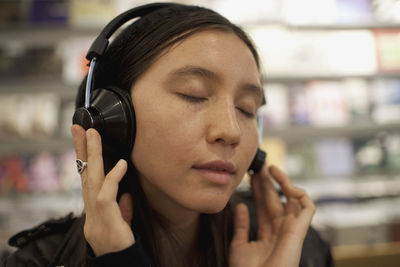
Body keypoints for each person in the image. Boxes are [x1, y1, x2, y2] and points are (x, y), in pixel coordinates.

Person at [2, 2, 334, 267]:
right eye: (194, 95)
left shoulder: (296, 249)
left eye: (246, 109)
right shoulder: (40, 261)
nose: (231, 131)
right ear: (110, 117)